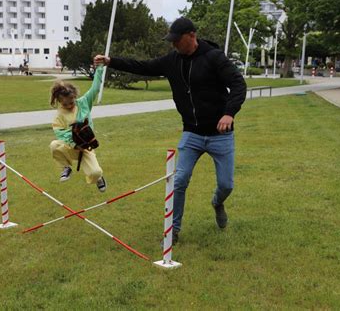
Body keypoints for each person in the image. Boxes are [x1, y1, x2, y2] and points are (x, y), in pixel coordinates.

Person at [94, 17, 247, 242]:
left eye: (177, 40)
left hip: (220, 134)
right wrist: (110, 61)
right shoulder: (172, 60)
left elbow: (238, 84)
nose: (173, 45)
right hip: (192, 133)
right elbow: (143, 66)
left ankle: (217, 202)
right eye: (171, 41)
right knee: (179, 180)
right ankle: (173, 230)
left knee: (226, 185)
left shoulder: (214, 57)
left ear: (192, 36)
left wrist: (229, 113)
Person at [49, 64, 107, 192]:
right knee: (54, 145)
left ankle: (99, 178)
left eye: (71, 102)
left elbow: (95, 88)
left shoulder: (84, 103)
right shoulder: (59, 115)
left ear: (75, 96)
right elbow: (60, 133)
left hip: (86, 147)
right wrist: (75, 144)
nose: (69, 106)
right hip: (71, 146)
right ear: (59, 101)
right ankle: (66, 168)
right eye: (65, 104)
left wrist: (99, 69)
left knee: (95, 172)